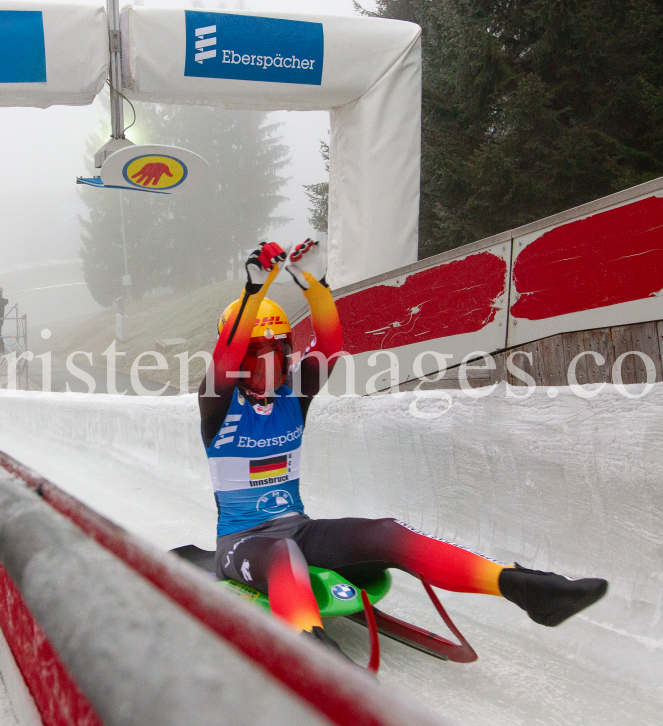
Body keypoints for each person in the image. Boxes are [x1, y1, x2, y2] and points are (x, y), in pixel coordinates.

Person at [199, 241, 608, 657]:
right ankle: (320, 657)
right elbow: (222, 359)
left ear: (288, 354)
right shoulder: (218, 403)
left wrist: (315, 285)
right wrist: (254, 292)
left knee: (387, 532)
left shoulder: (295, 394)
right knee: (283, 554)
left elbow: (331, 340)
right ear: (237, 363)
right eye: (255, 356)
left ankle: (524, 587)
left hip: (299, 527)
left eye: (276, 352)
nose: (268, 366)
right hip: (242, 541)